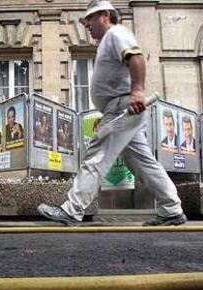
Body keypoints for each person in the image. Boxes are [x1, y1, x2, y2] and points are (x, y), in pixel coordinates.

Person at [38, 0, 186, 227]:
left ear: (105, 15)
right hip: (119, 106)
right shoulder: (109, 40)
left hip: (123, 106)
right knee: (141, 160)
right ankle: (172, 209)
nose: (86, 24)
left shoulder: (116, 33)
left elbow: (136, 57)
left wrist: (137, 91)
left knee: (96, 155)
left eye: (89, 18)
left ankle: (72, 210)